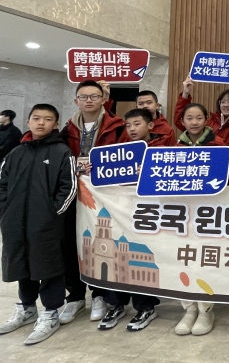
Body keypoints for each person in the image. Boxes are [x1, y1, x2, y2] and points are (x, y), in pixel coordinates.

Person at [0, 104, 77, 345]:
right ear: (29, 121)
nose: (41, 123)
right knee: (22, 263)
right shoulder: (16, 153)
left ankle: (51, 313)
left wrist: (53, 214)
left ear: (56, 124)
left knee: (49, 266)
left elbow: (69, 187)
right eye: (36, 118)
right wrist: (5, 211)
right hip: (15, 221)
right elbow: (2, 184)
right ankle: (27, 308)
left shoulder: (62, 152)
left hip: (47, 223)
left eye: (47, 119)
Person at [59, 80, 125, 325]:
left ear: (103, 99)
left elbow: (124, 158)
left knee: (99, 246)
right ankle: (75, 296)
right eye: (84, 96)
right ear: (76, 100)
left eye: (94, 96)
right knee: (71, 244)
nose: (89, 100)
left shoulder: (117, 127)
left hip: (102, 196)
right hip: (72, 194)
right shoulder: (67, 129)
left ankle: (98, 294)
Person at [97, 109, 167, 332]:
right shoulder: (119, 152)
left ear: (150, 126)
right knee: (115, 257)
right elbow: (103, 176)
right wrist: (90, 170)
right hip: (120, 213)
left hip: (148, 214)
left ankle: (146, 307)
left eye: (137, 124)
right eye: (128, 125)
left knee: (138, 261)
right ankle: (116, 304)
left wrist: (150, 171)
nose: (132, 129)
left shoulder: (163, 149)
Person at [174, 103, 228, 337]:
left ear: (207, 119)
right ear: (182, 121)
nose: (194, 122)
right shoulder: (175, 147)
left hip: (209, 213)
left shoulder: (219, 145)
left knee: (205, 260)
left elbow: (228, 180)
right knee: (183, 260)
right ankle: (189, 309)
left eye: (198, 117)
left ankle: (206, 310)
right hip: (182, 213)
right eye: (189, 118)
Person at [174, 77, 229, 151]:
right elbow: (181, 120)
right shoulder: (210, 121)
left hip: (228, 159)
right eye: (223, 102)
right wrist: (185, 93)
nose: (225, 105)